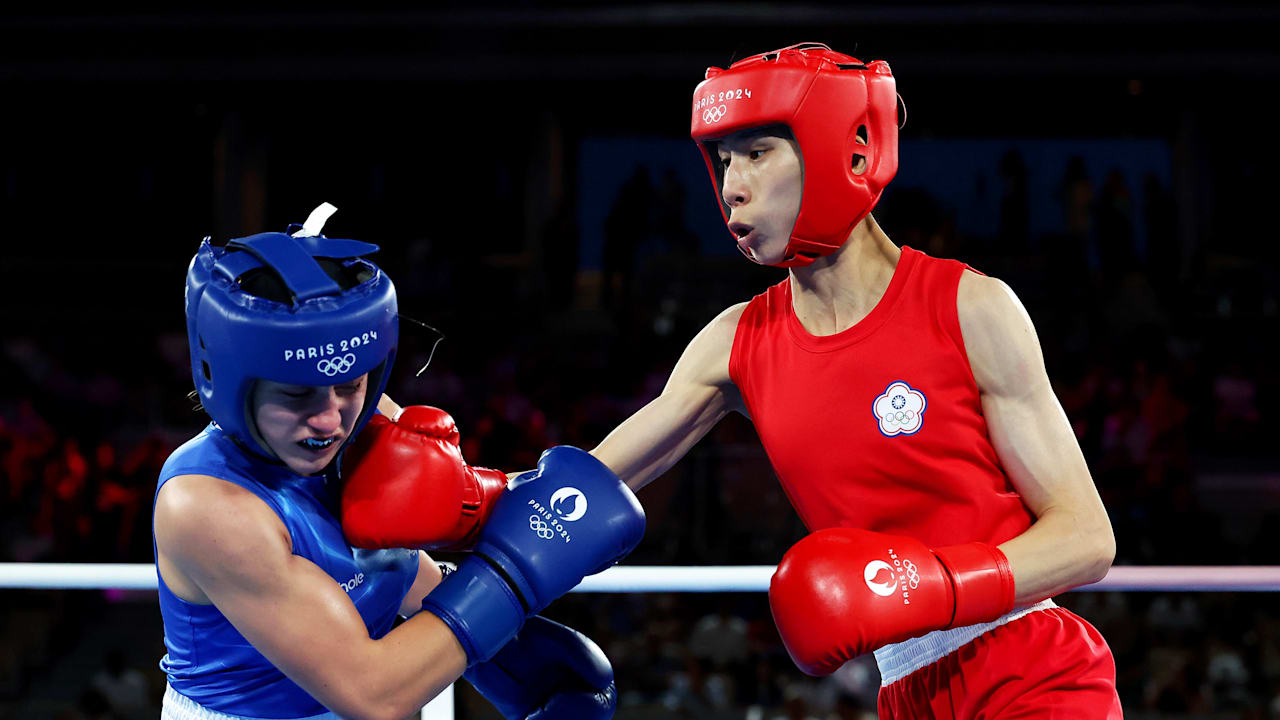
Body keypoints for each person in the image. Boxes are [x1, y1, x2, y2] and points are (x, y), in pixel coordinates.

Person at [587, 43, 1123, 717]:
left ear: (850, 151)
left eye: (758, 153)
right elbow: (580, 492)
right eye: (724, 160)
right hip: (905, 688)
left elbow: (1086, 538)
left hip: (1030, 664)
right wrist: (471, 503)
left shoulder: (969, 307)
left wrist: (934, 586)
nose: (732, 186)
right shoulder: (734, 344)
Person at [153, 204, 645, 720]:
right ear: (230, 384)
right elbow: (374, 695)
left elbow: (395, 565)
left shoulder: (362, 425)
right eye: (297, 394)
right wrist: (509, 580)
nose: (330, 420)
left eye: (350, 385)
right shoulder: (206, 505)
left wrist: (503, 646)